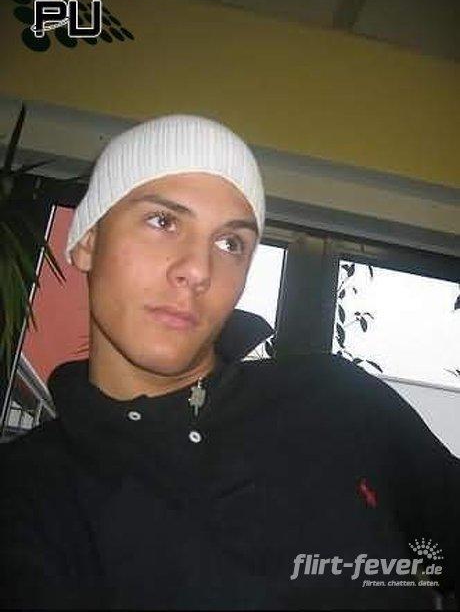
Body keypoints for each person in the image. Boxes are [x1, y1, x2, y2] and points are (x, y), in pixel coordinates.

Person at [0, 114, 459, 610]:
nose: (198, 270)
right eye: (163, 221)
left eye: (230, 243)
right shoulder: (25, 494)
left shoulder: (338, 400)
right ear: (87, 240)